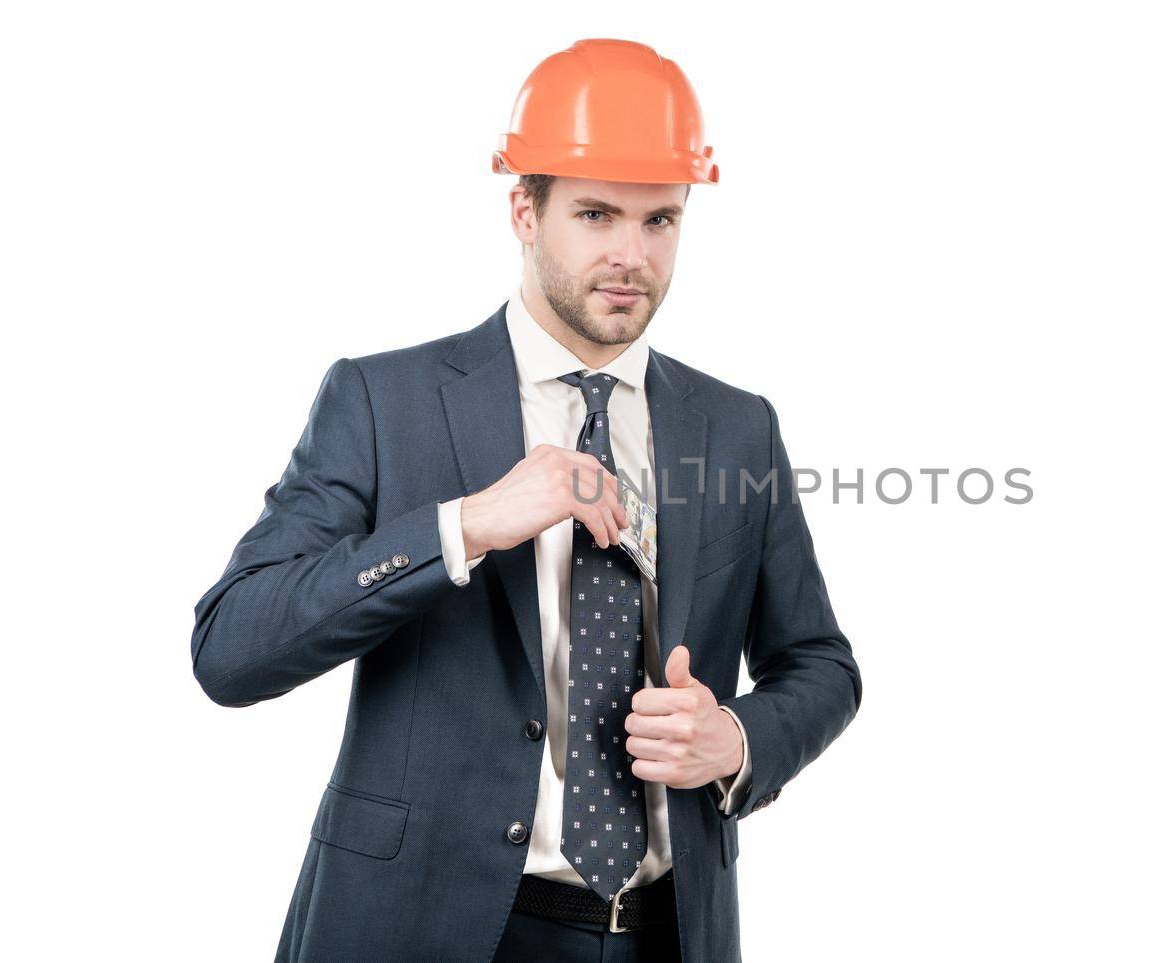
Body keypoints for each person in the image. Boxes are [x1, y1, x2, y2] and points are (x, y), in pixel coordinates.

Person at [190, 38, 862, 963]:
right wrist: (462, 527)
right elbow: (231, 648)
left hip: (665, 934)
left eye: (660, 220)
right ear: (524, 209)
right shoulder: (385, 402)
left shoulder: (738, 427)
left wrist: (735, 738)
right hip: (423, 926)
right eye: (596, 214)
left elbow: (821, 663)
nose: (632, 256)